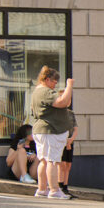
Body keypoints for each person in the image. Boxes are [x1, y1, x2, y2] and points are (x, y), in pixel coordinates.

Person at [31, 65, 74, 200]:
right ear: (47, 79)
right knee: (52, 161)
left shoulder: (37, 91)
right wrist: (69, 86)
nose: (55, 84)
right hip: (50, 130)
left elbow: (64, 102)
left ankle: (42, 189)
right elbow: (62, 102)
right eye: (54, 81)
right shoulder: (45, 91)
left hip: (42, 130)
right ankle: (54, 190)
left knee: (44, 160)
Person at [58, 104, 78, 197]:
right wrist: (66, 142)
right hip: (61, 141)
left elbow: (75, 128)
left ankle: (65, 186)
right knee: (62, 164)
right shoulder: (57, 113)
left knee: (68, 165)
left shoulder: (71, 114)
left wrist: (71, 139)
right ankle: (60, 185)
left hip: (70, 141)